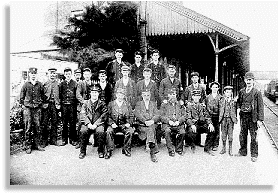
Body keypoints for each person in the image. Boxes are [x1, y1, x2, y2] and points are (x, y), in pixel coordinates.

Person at [235, 72, 264, 162]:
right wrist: (237, 103)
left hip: (253, 117)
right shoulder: (241, 91)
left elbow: (260, 106)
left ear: (253, 81)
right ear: (244, 80)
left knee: (253, 136)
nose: (248, 82)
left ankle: (254, 154)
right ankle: (243, 151)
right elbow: (239, 102)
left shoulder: (257, 92)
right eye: (247, 80)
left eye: (250, 80)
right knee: (242, 135)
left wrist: (260, 119)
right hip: (243, 116)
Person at [19, 67, 46, 154]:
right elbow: (21, 97)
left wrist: (41, 104)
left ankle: (37, 145)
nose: (33, 75)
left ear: (36, 74)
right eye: (32, 74)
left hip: (37, 109)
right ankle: (28, 146)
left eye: (34, 74)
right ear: (29, 74)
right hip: (28, 109)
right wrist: (24, 106)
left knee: (37, 127)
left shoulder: (40, 84)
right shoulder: (26, 85)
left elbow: (43, 96)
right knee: (28, 127)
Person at [78, 85, 108, 159]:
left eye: (96, 92)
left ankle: (100, 151)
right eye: (93, 92)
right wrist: (88, 124)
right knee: (83, 130)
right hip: (87, 124)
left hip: (98, 124)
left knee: (100, 131)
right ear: (90, 93)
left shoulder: (102, 104)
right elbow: (82, 114)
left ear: (98, 94)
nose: (94, 94)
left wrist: (96, 124)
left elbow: (104, 115)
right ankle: (82, 151)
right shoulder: (85, 103)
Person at [106, 88, 134, 159]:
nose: (120, 96)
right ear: (116, 95)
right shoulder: (111, 104)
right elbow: (107, 116)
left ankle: (126, 149)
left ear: (124, 96)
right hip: (114, 125)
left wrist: (129, 123)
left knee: (130, 131)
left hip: (124, 124)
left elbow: (131, 115)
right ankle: (109, 150)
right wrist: (111, 123)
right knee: (109, 131)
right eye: (119, 94)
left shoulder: (127, 104)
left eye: (122, 95)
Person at [134, 89, 160, 162]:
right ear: (142, 96)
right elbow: (137, 114)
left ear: (150, 95)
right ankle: (153, 147)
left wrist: (152, 121)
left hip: (151, 124)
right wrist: (145, 121)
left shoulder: (153, 103)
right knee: (150, 129)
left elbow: (157, 114)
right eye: (144, 95)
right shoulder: (138, 104)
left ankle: (151, 148)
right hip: (142, 125)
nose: (146, 97)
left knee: (151, 128)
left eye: (148, 95)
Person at [186, 90, 214, 154]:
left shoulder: (203, 106)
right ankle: (193, 145)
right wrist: (191, 125)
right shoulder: (189, 106)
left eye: (198, 96)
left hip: (202, 124)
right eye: (195, 96)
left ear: (200, 97)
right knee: (191, 131)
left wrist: (210, 123)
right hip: (194, 124)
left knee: (212, 130)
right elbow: (188, 117)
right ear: (192, 97)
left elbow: (207, 116)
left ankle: (207, 148)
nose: (196, 98)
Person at [160, 88, 187, 156]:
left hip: (178, 124)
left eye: (174, 94)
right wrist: (169, 121)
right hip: (168, 124)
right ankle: (171, 149)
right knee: (167, 131)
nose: (172, 96)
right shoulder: (164, 105)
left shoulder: (180, 104)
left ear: (176, 95)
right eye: (171, 94)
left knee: (182, 132)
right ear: (168, 95)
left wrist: (179, 121)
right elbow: (161, 116)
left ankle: (179, 148)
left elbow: (184, 115)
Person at [75, 68, 94, 149]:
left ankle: (87, 140)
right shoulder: (80, 83)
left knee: (89, 122)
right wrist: (84, 102)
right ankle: (79, 141)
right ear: (83, 75)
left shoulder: (93, 84)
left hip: (91, 107)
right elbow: (78, 94)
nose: (87, 76)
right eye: (85, 74)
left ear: (90, 75)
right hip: (82, 106)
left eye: (88, 74)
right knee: (80, 123)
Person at [41, 68, 60, 147]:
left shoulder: (58, 84)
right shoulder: (44, 83)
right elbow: (41, 93)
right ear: (48, 74)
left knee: (54, 123)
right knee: (45, 123)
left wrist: (59, 105)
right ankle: (44, 141)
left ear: (56, 74)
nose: (52, 75)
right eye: (51, 73)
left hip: (54, 105)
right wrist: (43, 103)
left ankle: (53, 140)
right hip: (46, 105)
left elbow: (60, 95)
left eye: (54, 73)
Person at [59, 67, 78, 146]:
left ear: (71, 74)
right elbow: (60, 95)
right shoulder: (61, 84)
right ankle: (64, 139)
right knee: (64, 123)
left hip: (72, 105)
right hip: (64, 106)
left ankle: (73, 139)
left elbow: (76, 95)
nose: (68, 75)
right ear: (64, 75)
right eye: (66, 74)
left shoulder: (74, 83)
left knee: (72, 122)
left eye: (69, 74)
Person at [219, 86, 237, 156]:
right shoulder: (221, 100)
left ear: (231, 93)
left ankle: (230, 149)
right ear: (224, 93)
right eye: (227, 92)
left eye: (230, 92)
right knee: (223, 134)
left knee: (230, 135)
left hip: (230, 120)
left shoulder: (234, 101)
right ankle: (223, 148)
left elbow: (235, 111)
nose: (228, 94)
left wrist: (235, 119)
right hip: (223, 119)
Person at [204, 81, 222, 153]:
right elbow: (205, 108)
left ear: (218, 89)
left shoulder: (221, 97)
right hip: (210, 116)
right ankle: (209, 144)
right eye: (213, 87)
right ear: (211, 88)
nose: (215, 88)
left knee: (217, 131)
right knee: (211, 130)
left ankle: (215, 145)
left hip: (217, 116)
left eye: (216, 87)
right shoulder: (207, 97)